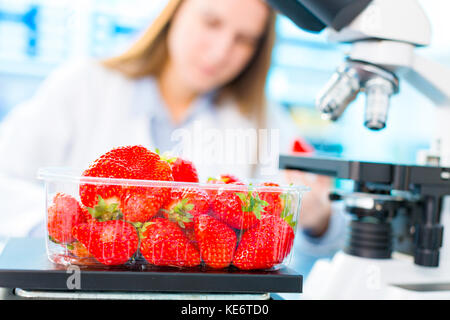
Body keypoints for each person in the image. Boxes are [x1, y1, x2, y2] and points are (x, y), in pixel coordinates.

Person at [0, 0, 345, 271]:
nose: (221, 51)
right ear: (176, 10)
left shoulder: (264, 117)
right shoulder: (83, 85)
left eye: (244, 40)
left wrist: (318, 220)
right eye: (211, 22)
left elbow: (301, 238)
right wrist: (62, 227)